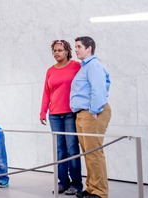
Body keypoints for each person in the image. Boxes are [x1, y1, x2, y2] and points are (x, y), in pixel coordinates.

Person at [70, 36, 111, 198]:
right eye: (75, 47)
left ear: (89, 48)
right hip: (82, 114)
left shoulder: (93, 65)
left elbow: (99, 89)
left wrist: (94, 109)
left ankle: (100, 192)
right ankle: (91, 188)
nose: (76, 49)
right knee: (87, 152)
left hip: (92, 113)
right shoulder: (84, 67)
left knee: (94, 152)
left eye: (79, 46)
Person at [40, 39, 83, 195]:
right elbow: (46, 91)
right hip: (55, 115)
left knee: (72, 149)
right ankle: (63, 182)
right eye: (54, 50)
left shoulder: (76, 66)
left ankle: (77, 184)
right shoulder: (50, 70)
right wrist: (42, 111)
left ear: (67, 51)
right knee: (60, 150)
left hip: (71, 113)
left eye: (59, 50)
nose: (56, 53)